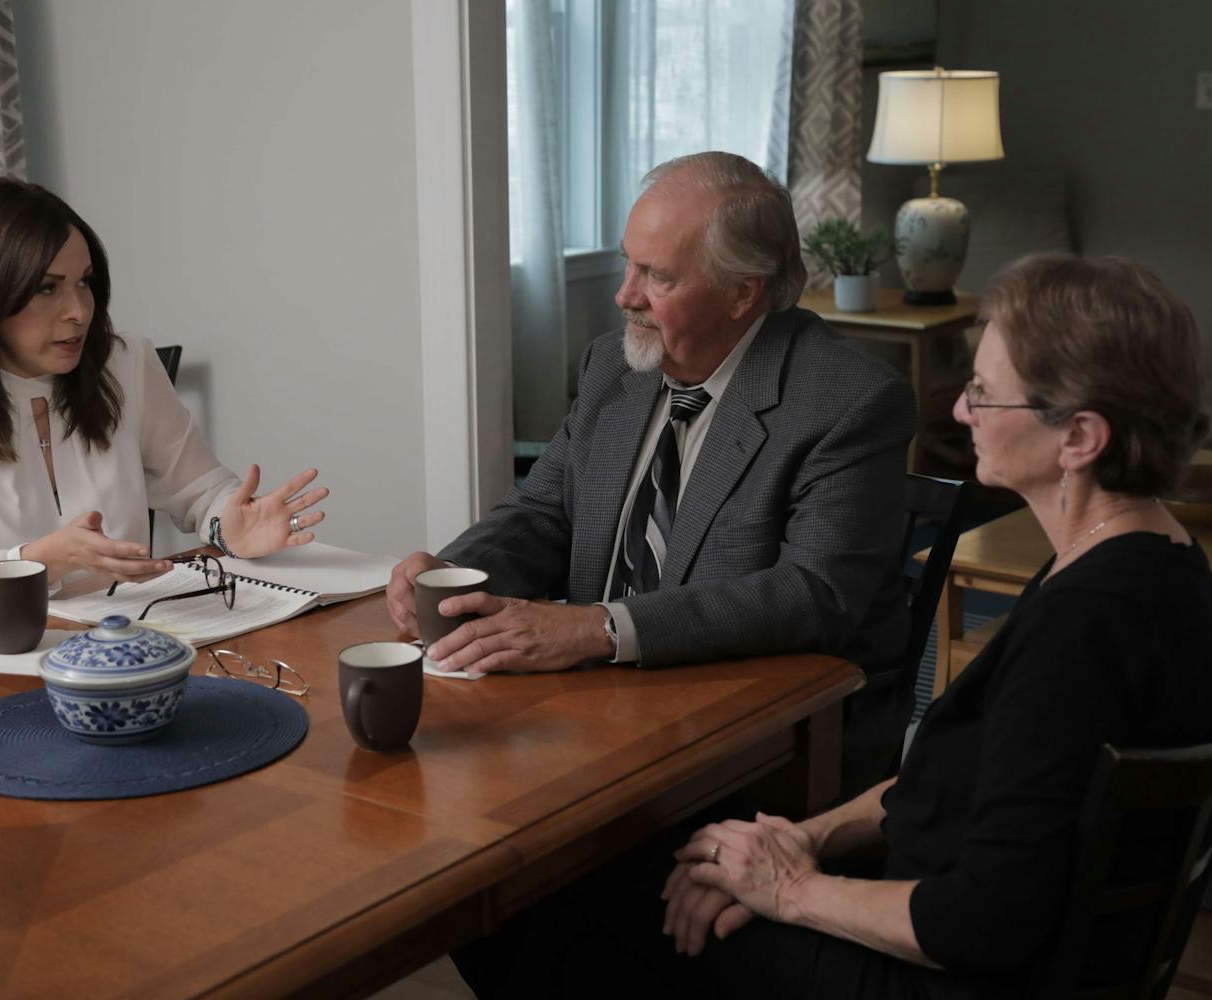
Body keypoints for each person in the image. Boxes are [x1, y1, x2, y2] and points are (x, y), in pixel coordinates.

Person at [452, 254, 1212, 999]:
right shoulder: (1154, 561)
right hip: (923, 908)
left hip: (937, 972)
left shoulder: (1086, 629)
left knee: (551, 905)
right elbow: (981, 782)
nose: (962, 409)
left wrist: (789, 890)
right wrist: (810, 837)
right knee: (602, 890)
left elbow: (982, 924)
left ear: (1079, 438)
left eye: (984, 393)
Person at [387, 153, 914, 756]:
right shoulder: (615, 365)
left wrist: (598, 629)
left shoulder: (847, 400)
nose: (623, 295)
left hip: (764, 727)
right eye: (626, 263)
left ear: (743, 293)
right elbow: (545, 513)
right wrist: (451, 578)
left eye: (656, 276)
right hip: (594, 707)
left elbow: (815, 594)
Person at [0, 178, 328, 629]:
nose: (79, 310)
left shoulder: (125, 363)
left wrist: (232, 526)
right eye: (47, 288)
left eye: (84, 282)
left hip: (117, 637)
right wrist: (41, 562)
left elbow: (200, 491)